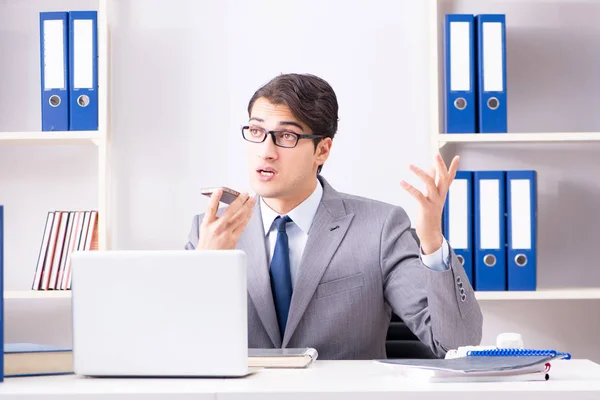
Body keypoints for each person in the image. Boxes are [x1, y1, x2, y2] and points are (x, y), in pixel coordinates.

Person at [185, 73, 483, 360]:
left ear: (322, 150)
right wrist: (206, 268)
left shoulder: (380, 228)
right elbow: (180, 348)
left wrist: (431, 241)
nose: (266, 151)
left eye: (286, 135)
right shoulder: (208, 230)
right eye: (256, 131)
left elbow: (455, 343)